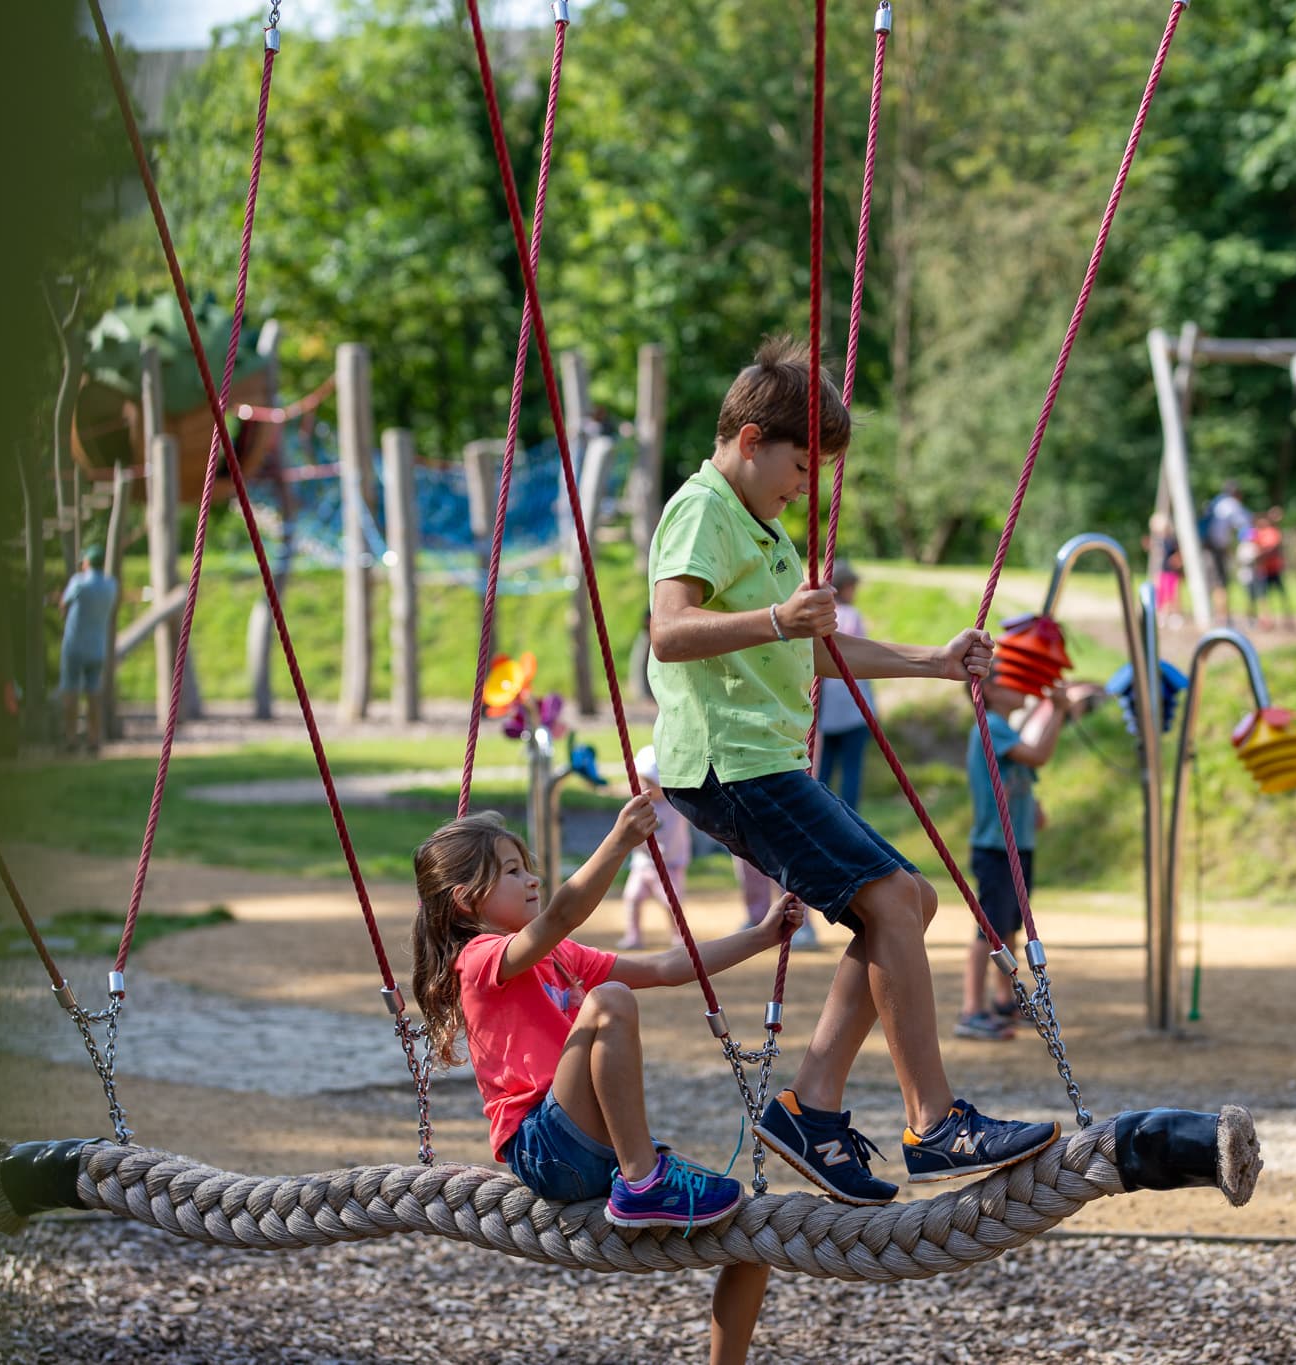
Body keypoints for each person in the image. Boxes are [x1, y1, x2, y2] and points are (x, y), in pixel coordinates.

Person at [647, 335, 1060, 1207]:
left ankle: (813, 1105)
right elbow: (669, 631)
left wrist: (934, 662)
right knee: (886, 897)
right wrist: (772, 617)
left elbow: (817, 648)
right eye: (801, 465)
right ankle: (934, 1120)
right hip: (729, 763)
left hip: (761, 761)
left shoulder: (758, 524)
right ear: (752, 439)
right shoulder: (702, 509)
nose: (805, 487)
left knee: (911, 900)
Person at [411, 801, 803, 1362]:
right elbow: (562, 915)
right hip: (543, 1146)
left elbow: (667, 968)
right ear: (466, 899)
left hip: (596, 1151)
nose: (532, 879)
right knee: (610, 1002)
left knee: (747, 1233)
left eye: (528, 867)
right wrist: (619, 841)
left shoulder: (562, 959)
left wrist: (761, 936)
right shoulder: (478, 961)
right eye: (512, 870)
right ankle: (645, 1180)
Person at [956, 666, 1098, 1041]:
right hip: (995, 846)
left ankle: (1006, 1000)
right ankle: (971, 1009)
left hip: (1018, 845)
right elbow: (1036, 756)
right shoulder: (989, 725)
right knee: (989, 930)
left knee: (1010, 926)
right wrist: (1059, 710)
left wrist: (1031, 806)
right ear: (987, 689)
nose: (1021, 685)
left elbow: (1024, 771)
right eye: (1009, 678)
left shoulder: (1006, 729)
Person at [616, 745, 692, 950]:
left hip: (669, 865)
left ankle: (678, 936)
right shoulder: (640, 805)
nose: (645, 787)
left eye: (651, 782)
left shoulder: (675, 806)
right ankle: (634, 935)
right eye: (643, 781)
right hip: (642, 864)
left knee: (671, 903)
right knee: (632, 898)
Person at [814, 559, 874, 811]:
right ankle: (850, 819)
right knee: (852, 769)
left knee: (822, 769)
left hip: (825, 712)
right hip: (853, 709)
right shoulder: (852, 616)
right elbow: (864, 658)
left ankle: (821, 814)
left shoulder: (820, 618)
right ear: (847, 587)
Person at [56, 544, 118, 754]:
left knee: (70, 692)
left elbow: (64, 604)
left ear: (88, 562)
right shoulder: (111, 585)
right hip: (97, 646)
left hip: (74, 645)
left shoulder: (78, 582)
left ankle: (71, 738)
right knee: (93, 695)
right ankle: (94, 738)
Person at [1204, 482, 1252, 625]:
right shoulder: (1231, 505)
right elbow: (1245, 524)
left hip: (1208, 547)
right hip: (1217, 549)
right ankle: (1223, 618)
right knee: (1221, 583)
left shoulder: (1216, 503)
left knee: (1214, 583)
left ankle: (1218, 615)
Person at [1247, 506, 1292, 630]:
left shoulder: (1272, 532)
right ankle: (1266, 620)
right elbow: (1251, 547)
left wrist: (1262, 554)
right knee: (1263, 597)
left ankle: (1287, 618)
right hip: (1263, 570)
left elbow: (1273, 548)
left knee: (1281, 594)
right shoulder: (1256, 534)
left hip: (1274, 568)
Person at [1146, 512, 1184, 627]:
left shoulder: (1171, 540)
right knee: (1161, 593)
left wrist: (1176, 560)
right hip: (1162, 571)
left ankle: (1174, 614)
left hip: (1171, 571)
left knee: (1172, 593)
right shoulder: (1158, 540)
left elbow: (1179, 553)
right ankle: (1162, 614)